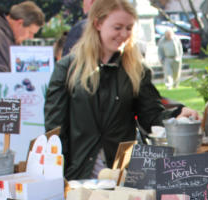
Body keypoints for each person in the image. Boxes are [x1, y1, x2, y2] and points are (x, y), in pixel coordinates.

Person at [44, 0, 199, 181]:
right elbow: (54, 130)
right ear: (98, 24)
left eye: (129, 28)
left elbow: (151, 116)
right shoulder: (68, 68)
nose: (124, 34)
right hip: (78, 176)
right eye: (117, 27)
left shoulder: (136, 70)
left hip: (123, 175)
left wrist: (177, 114)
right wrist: (58, 175)